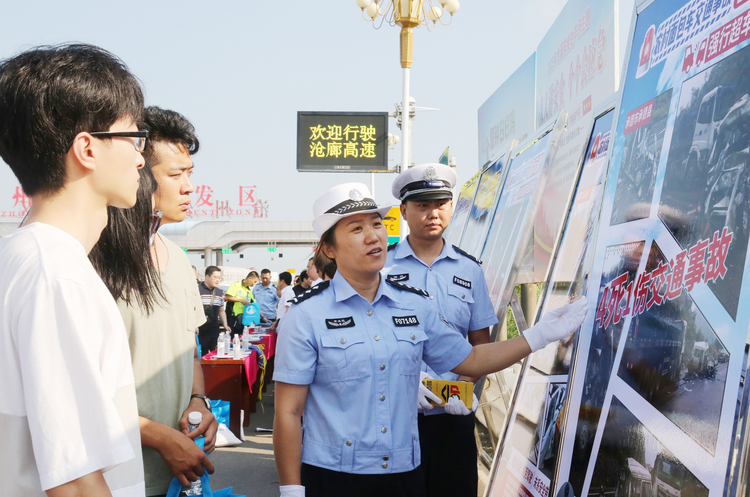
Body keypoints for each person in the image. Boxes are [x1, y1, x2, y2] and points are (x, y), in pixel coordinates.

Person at [272, 182, 588, 497]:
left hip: (404, 474)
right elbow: (288, 411)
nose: (373, 236)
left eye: (377, 224)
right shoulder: (305, 316)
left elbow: (472, 358)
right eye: (356, 229)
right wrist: (291, 489)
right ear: (329, 248)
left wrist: (539, 334)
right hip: (334, 476)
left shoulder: (414, 306)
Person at [0, 43, 146, 496]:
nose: (142, 157)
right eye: (133, 137)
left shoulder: (22, 257)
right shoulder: (56, 275)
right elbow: (77, 479)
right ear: (87, 147)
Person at [93, 106, 219, 496]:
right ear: (138, 172)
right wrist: (161, 438)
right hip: (113, 478)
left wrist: (198, 401)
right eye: (176, 174)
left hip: (178, 477)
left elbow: (190, 353)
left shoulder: (181, 261)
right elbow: (77, 389)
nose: (189, 187)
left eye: (190, 174)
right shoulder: (95, 258)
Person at [386, 163, 495, 496]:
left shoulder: (470, 268)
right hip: (393, 413)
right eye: (422, 205)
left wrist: (463, 389)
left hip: (452, 416)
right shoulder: (381, 267)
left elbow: (480, 343)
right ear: (404, 210)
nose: (433, 213)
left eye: (441, 204)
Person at [199, 266, 230, 352]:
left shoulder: (219, 292)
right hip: (200, 331)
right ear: (207, 277)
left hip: (214, 330)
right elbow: (192, 310)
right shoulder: (198, 290)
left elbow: (221, 310)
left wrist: (225, 325)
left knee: (216, 354)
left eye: (219, 278)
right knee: (202, 357)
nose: (217, 280)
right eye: (215, 277)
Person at [225, 271, 258, 336]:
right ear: (250, 278)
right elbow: (227, 297)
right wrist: (240, 300)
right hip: (233, 318)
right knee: (233, 340)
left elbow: (255, 304)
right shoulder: (236, 285)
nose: (254, 284)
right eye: (254, 281)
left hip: (243, 319)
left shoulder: (249, 290)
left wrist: (263, 317)